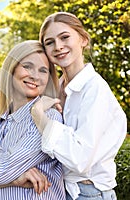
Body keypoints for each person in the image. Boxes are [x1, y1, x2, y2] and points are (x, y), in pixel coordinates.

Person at [30, 12, 127, 200]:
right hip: (59, 190)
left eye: (65, 37)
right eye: (49, 42)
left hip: (89, 194)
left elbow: (80, 159)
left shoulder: (94, 89)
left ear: (83, 39)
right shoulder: (55, 89)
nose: (58, 46)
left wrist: (39, 116)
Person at [0, 40, 66, 200]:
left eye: (43, 70)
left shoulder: (48, 118)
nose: (35, 76)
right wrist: (15, 180)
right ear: (11, 69)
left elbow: (0, 172)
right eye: (28, 66)